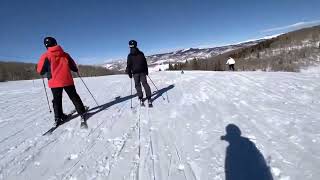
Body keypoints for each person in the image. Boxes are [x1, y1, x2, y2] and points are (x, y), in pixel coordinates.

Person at [36, 37, 87, 126]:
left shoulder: (45, 55)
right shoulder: (65, 54)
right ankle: (82, 113)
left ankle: (58, 117)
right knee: (74, 97)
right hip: (67, 80)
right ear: (56, 43)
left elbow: (40, 71)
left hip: (54, 82)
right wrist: (75, 70)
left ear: (46, 46)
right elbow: (74, 67)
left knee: (56, 100)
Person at [126, 40, 152, 106]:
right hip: (142, 72)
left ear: (129, 46)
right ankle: (149, 98)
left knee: (137, 85)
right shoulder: (141, 53)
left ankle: (141, 98)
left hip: (135, 73)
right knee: (145, 84)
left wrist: (129, 73)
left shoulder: (129, 56)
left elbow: (128, 65)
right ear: (136, 45)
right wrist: (146, 71)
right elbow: (145, 63)